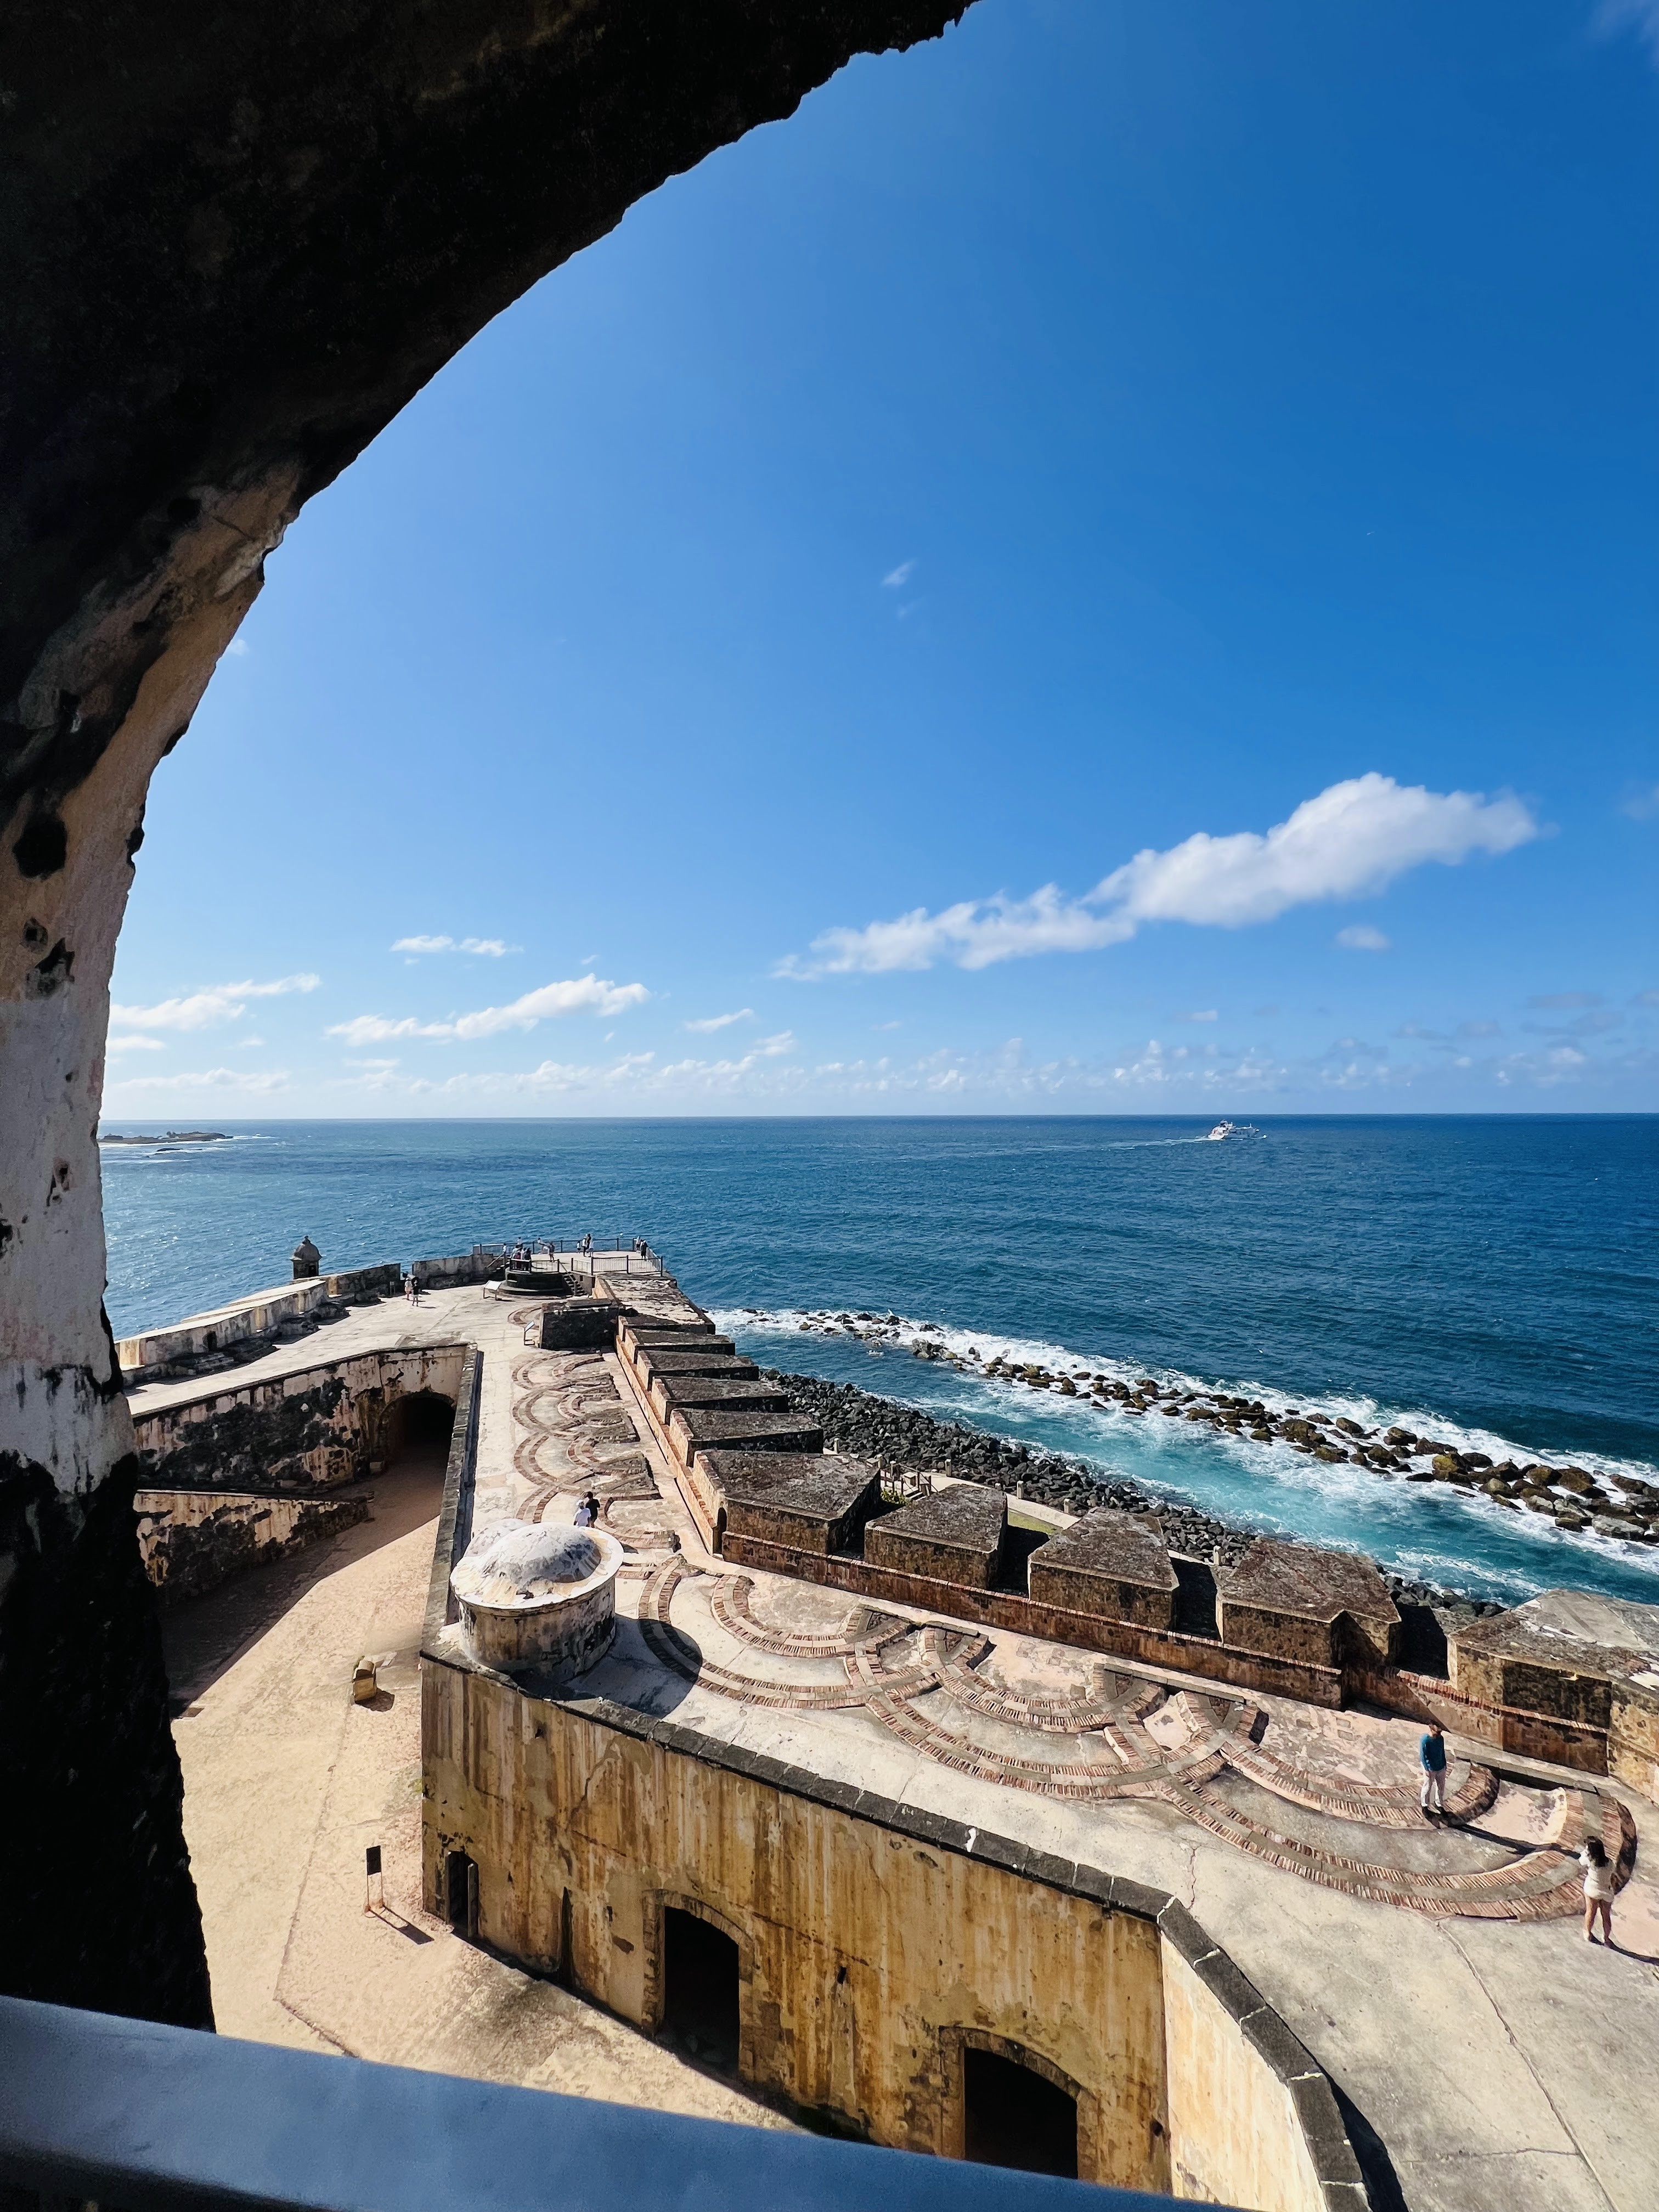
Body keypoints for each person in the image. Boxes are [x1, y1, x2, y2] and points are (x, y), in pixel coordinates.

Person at [1581, 1835, 1616, 1943]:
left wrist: (1585, 1854)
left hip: (1592, 1890)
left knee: (1591, 1912)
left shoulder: (1590, 1862)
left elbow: (1581, 1862)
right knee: (1606, 1916)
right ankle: (1606, 1938)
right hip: (1606, 1890)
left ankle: (1588, 1934)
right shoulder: (1609, 1863)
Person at [1419, 1721, 1448, 1816]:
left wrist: (1444, 1764)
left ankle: (1439, 1804)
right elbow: (1423, 1756)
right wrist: (1427, 1769)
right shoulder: (1425, 1740)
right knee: (1427, 1788)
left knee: (1441, 1787)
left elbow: (1442, 1751)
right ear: (1431, 1730)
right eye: (1437, 1732)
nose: (1439, 1734)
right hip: (1431, 1768)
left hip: (1441, 1767)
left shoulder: (1441, 1739)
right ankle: (1424, 1805)